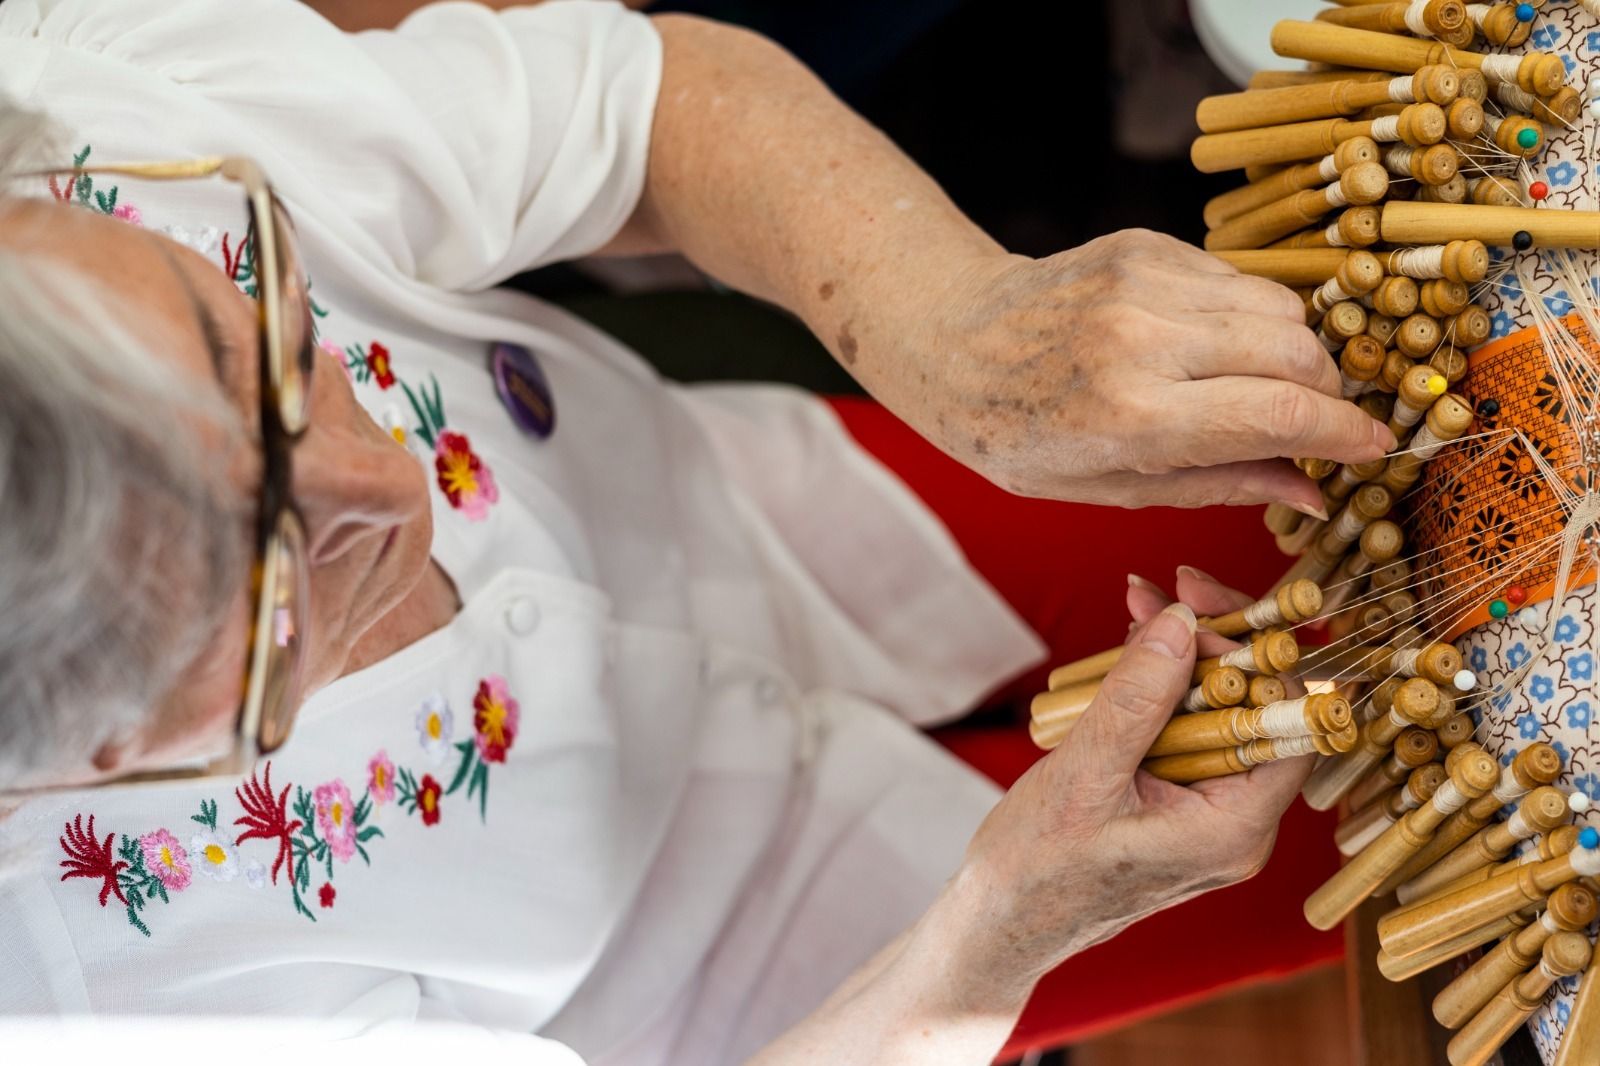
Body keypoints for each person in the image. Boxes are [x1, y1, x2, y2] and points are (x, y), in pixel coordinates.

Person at [0, 1, 1394, 1062]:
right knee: (1383, 837)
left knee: (1381, 490)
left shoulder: (69, 102)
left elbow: (638, 105)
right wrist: (987, 950)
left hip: (798, 526)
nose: (396, 488)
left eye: (276, 341)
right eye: (279, 600)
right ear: (78, 769)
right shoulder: (89, 1009)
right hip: (831, 971)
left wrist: (957, 327)